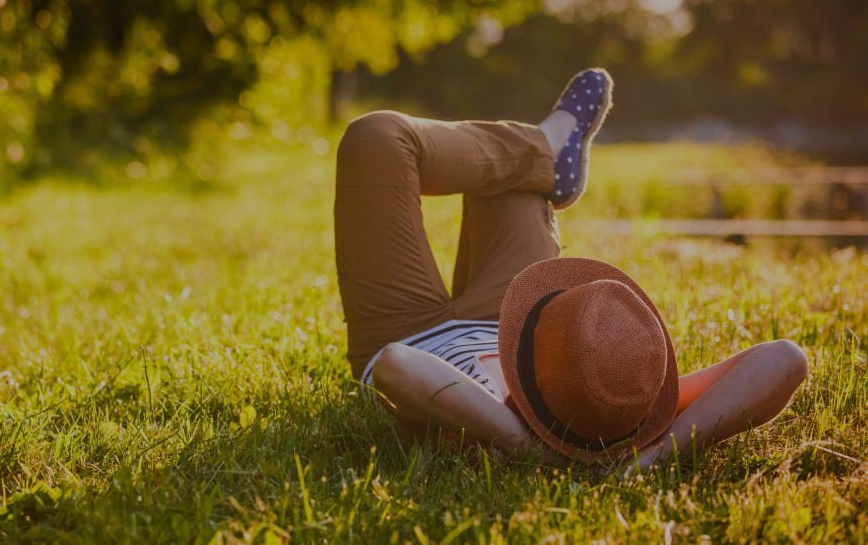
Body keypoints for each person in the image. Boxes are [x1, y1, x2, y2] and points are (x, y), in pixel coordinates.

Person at [333, 69, 808, 470]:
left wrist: (533, 448)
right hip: (516, 327)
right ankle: (543, 152)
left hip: (409, 328)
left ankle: (543, 144)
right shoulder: (622, 411)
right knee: (512, 181)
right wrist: (657, 455)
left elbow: (398, 365)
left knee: (375, 138)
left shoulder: (494, 426)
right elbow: (785, 359)